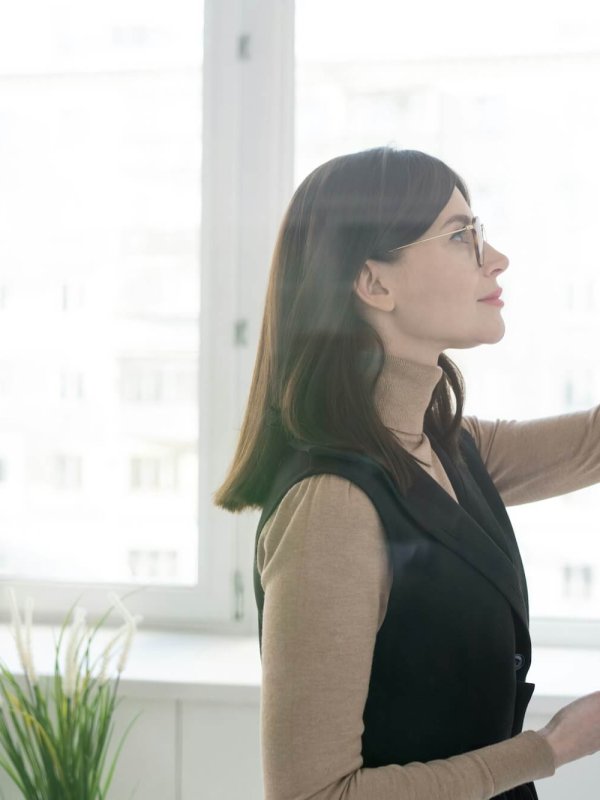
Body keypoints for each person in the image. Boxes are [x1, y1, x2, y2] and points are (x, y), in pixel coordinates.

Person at [213, 147, 600, 800]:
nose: (494, 258)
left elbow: (591, 444)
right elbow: (314, 794)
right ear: (374, 283)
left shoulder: (443, 445)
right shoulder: (332, 506)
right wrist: (547, 750)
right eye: (461, 236)